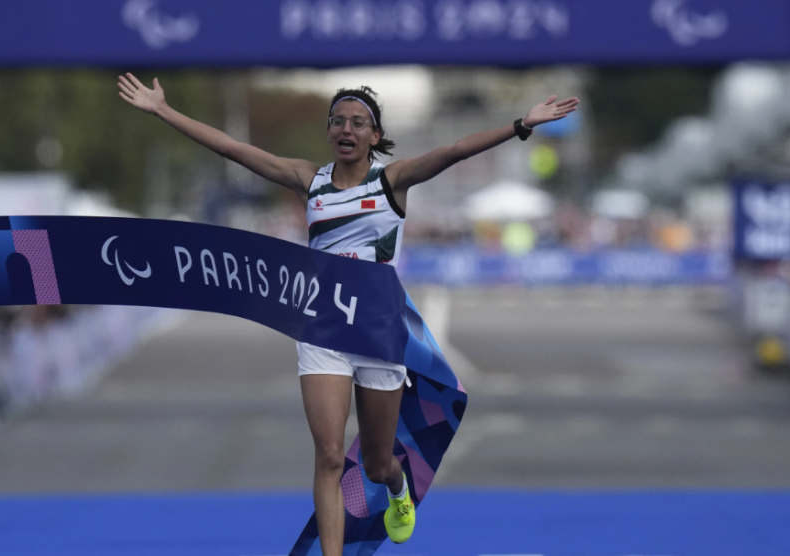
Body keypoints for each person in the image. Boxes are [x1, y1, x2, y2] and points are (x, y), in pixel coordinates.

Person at [117, 73, 578, 555]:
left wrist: (521, 125)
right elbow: (233, 149)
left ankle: (398, 490)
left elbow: (456, 150)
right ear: (329, 131)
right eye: (338, 120)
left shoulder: (392, 181)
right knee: (330, 456)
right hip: (322, 331)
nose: (347, 129)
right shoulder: (307, 180)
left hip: (378, 333)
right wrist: (164, 111)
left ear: (374, 136)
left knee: (377, 464)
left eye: (358, 122)